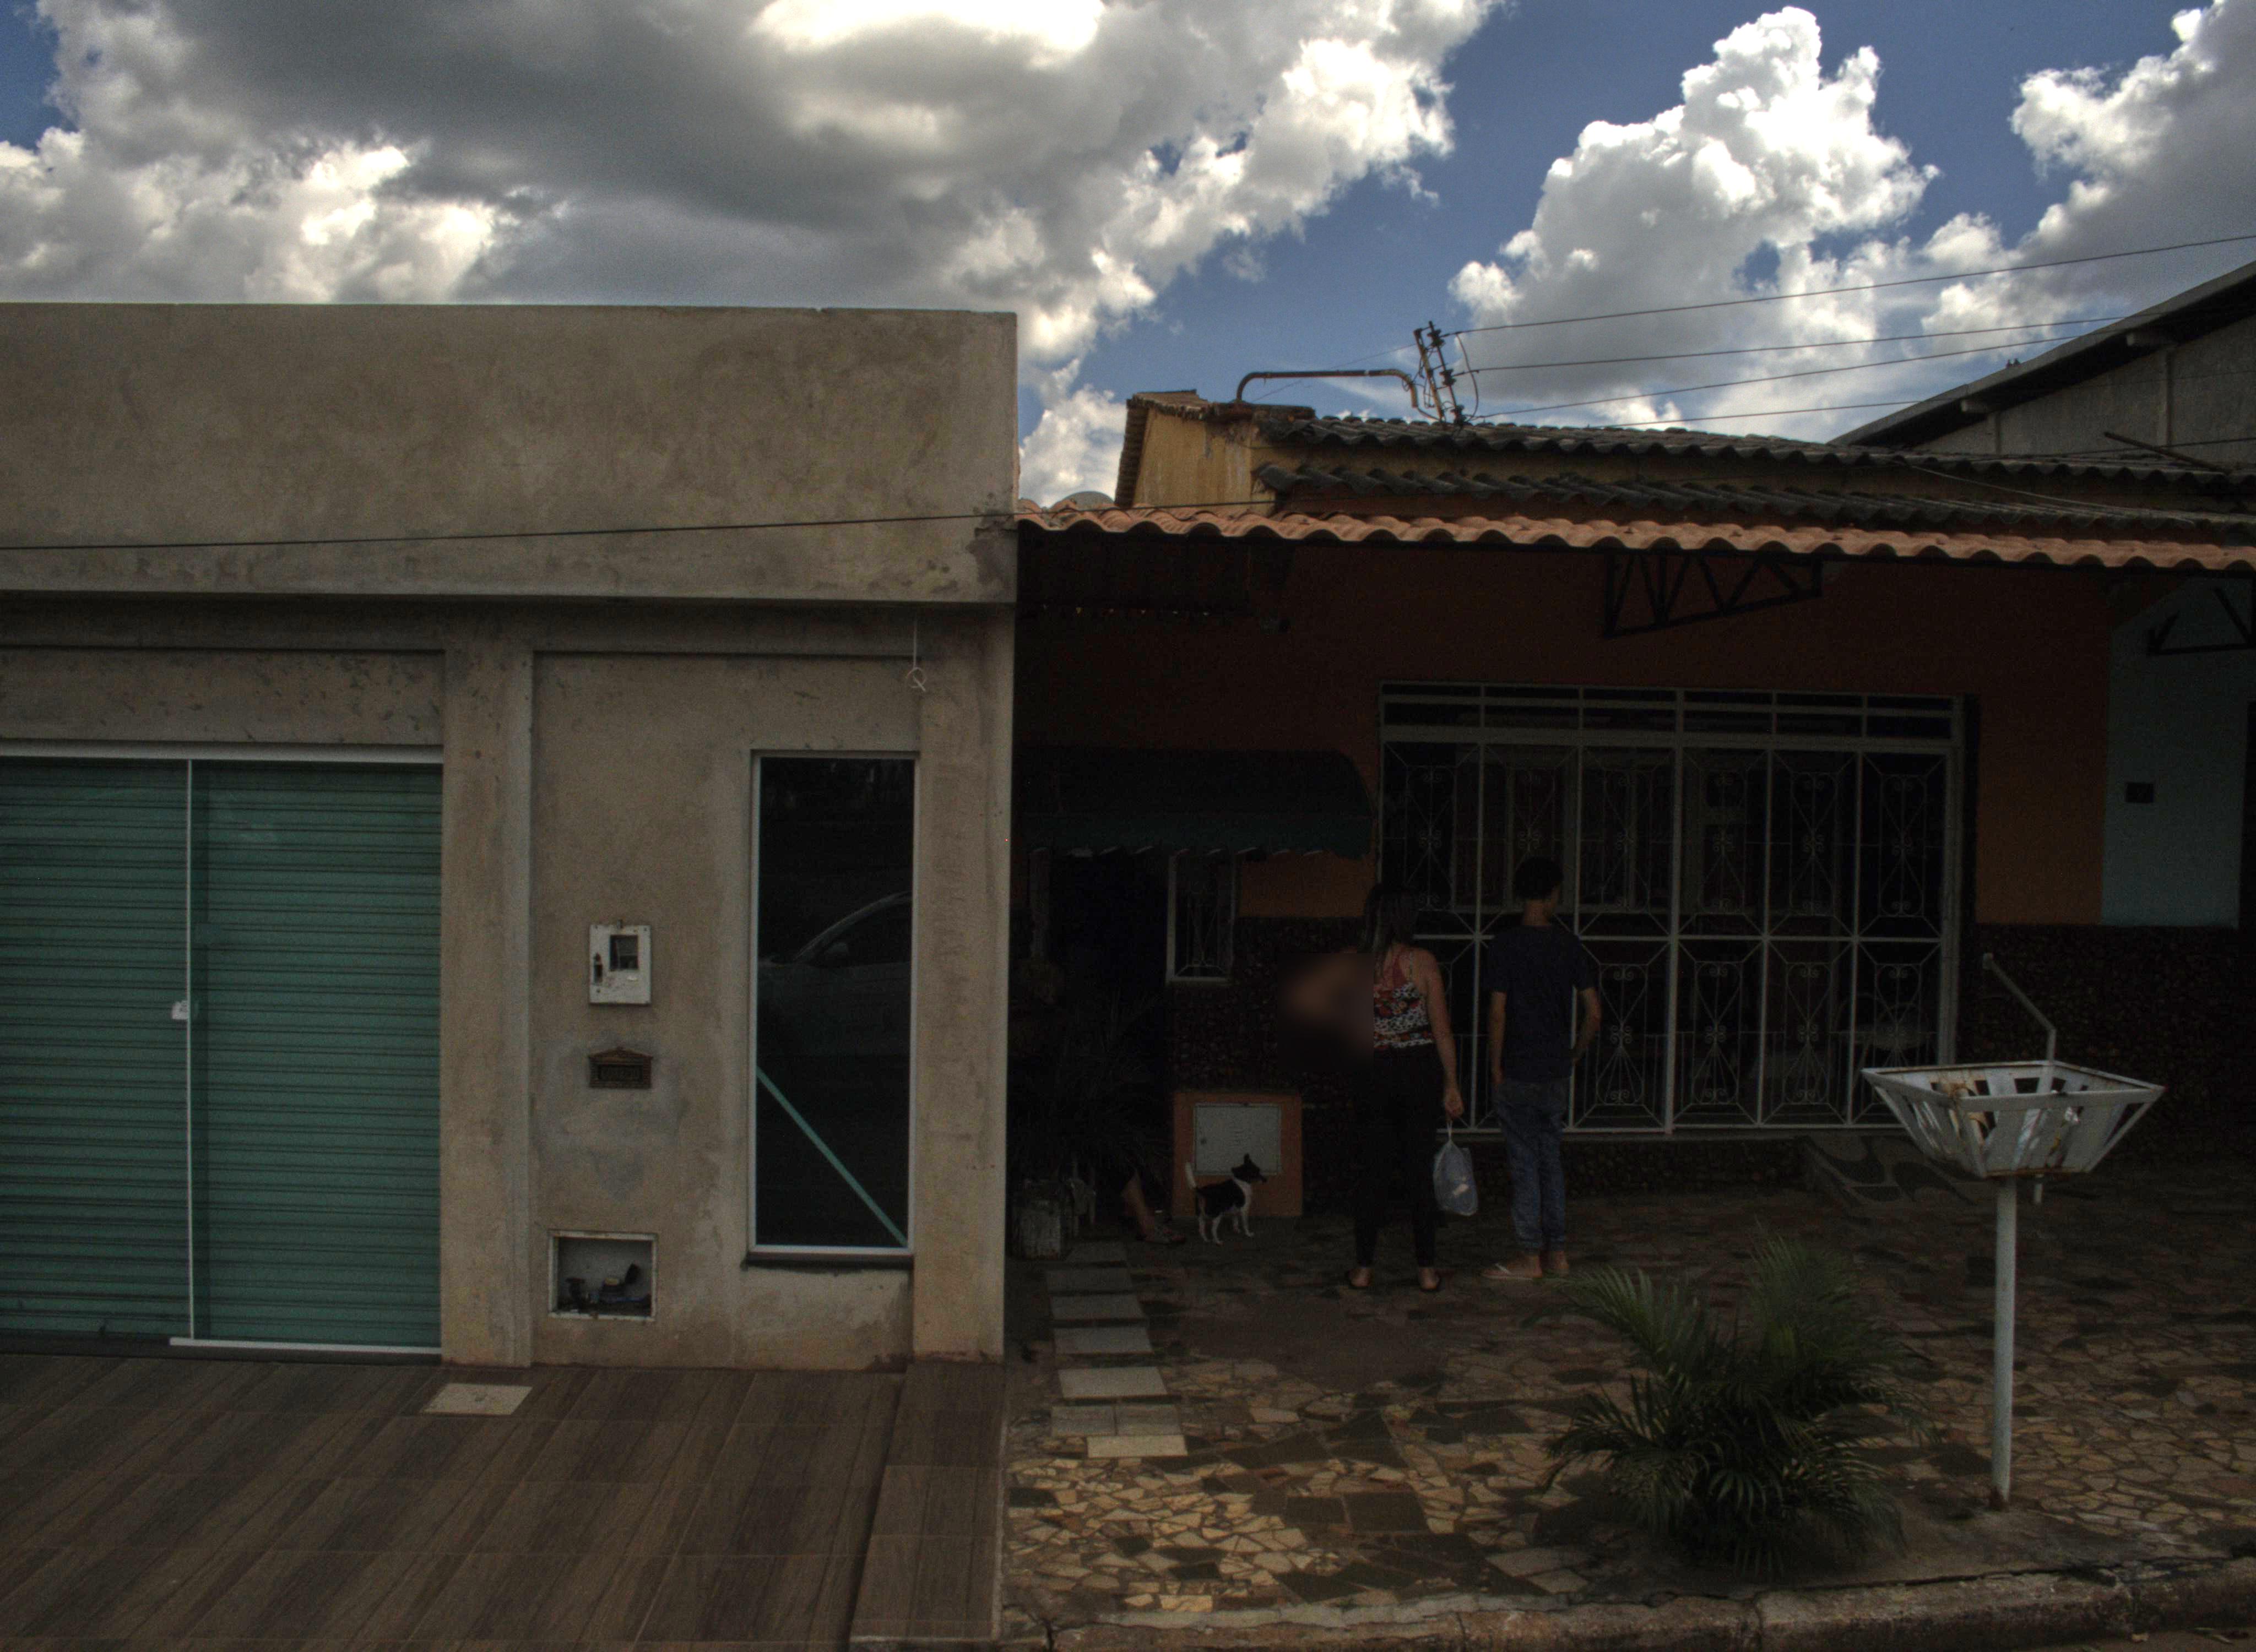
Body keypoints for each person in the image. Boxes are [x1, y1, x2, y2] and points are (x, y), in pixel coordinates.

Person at [1481, 857, 1598, 1283]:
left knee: (1524, 1163)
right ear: (1552, 895)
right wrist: (1574, 1054)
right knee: (1550, 1160)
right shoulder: (1568, 945)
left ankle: (1530, 1256)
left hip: (1517, 1068)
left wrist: (1495, 1065)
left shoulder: (1505, 944)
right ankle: (1558, 1254)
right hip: (1553, 1070)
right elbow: (1594, 1013)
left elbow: (1497, 1012)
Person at [1348, 883, 1464, 1292]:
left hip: (1374, 1072)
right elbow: (1442, 1030)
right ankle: (1427, 1271)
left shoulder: (1357, 965)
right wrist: (1452, 1083)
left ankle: (1363, 1270)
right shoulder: (1423, 962)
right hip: (1418, 1072)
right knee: (1418, 1172)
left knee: (1373, 1173)